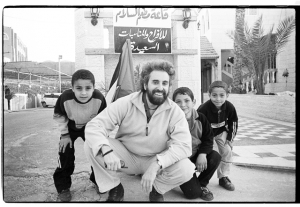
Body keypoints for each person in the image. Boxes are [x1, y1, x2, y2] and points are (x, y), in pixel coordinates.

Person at [84, 60, 195, 202]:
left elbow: (184, 146)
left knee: (187, 169)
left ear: (169, 87)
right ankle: (114, 186)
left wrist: (156, 165)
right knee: (91, 144)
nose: (160, 88)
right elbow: (94, 126)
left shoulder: (175, 111)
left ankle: (156, 189)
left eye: (164, 83)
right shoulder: (126, 102)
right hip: (127, 156)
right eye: (155, 82)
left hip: (156, 159)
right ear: (145, 84)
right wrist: (106, 149)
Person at [53, 69, 107, 202]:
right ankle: (63, 187)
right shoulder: (65, 97)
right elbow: (59, 115)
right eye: (79, 88)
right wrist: (65, 135)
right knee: (65, 154)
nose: (83, 92)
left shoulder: (99, 98)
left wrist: (101, 139)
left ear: (94, 88)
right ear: (72, 88)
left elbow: (104, 119)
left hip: (90, 127)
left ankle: (99, 181)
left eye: (88, 88)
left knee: (98, 153)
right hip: (70, 127)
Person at [172, 87, 221, 201]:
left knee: (215, 156)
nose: (183, 104)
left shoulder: (201, 118)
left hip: (196, 154)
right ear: (173, 104)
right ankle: (188, 182)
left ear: (193, 102)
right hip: (181, 160)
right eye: (178, 101)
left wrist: (203, 154)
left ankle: (202, 184)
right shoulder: (171, 120)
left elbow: (208, 139)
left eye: (187, 100)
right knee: (192, 194)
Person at [197, 80, 238, 191]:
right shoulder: (203, 108)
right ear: (209, 95)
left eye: (222, 95)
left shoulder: (229, 107)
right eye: (214, 95)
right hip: (207, 135)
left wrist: (230, 138)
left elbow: (233, 122)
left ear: (227, 95)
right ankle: (198, 178)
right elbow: (197, 125)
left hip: (220, 132)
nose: (218, 99)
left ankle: (223, 177)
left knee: (227, 151)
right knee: (212, 155)